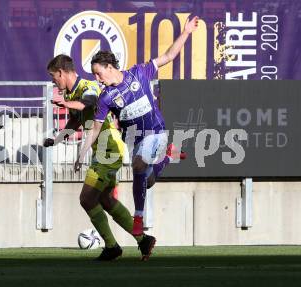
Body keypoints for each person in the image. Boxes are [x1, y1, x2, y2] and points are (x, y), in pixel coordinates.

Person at [75, 16, 199, 236]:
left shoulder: (139, 73)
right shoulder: (106, 98)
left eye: (98, 73)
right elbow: (95, 129)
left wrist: (187, 31)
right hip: (135, 141)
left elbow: (169, 56)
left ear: (109, 67)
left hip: (156, 131)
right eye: (94, 74)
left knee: (139, 165)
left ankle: (139, 217)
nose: (96, 78)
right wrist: (81, 154)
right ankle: (167, 156)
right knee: (148, 181)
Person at [44, 54, 156, 261]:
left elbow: (89, 102)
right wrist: (56, 140)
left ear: (61, 73)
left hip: (108, 150)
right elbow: (75, 122)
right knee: (105, 199)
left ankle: (113, 247)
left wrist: (67, 105)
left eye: (53, 77)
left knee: (86, 199)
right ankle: (143, 240)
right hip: (102, 151)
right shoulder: (70, 95)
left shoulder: (88, 86)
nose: (53, 82)